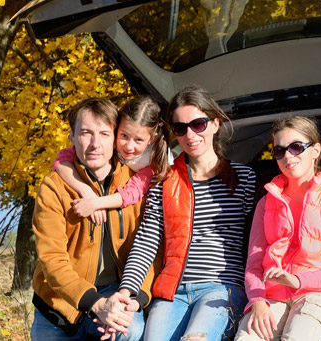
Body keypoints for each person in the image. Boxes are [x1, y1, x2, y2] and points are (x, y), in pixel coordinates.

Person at [116, 85, 256, 341]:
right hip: (173, 292)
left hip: (221, 289)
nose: (190, 134)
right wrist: (128, 289)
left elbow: (258, 240)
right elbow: (146, 242)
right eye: (181, 128)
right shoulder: (164, 181)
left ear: (215, 124)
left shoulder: (244, 178)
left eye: (198, 124)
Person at [30, 97, 158, 340]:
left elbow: (152, 248)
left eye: (104, 134)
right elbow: (52, 260)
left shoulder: (137, 184)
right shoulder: (54, 187)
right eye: (86, 133)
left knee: (131, 331)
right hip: (59, 305)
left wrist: (135, 298)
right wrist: (96, 304)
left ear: (115, 138)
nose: (95, 144)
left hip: (117, 292)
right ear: (72, 137)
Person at [234, 116, 321, 341]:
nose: (287, 156)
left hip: (318, 295)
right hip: (271, 296)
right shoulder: (266, 203)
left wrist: (298, 281)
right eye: (279, 151)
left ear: (316, 150)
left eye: (296, 147)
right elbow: (253, 265)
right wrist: (257, 300)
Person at [52, 95, 171, 225]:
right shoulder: (106, 141)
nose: (129, 146)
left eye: (138, 140)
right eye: (124, 136)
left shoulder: (154, 161)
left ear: (151, 139)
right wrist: (85, 190)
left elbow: (131, 193)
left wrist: (95, 203)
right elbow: (62, 160)